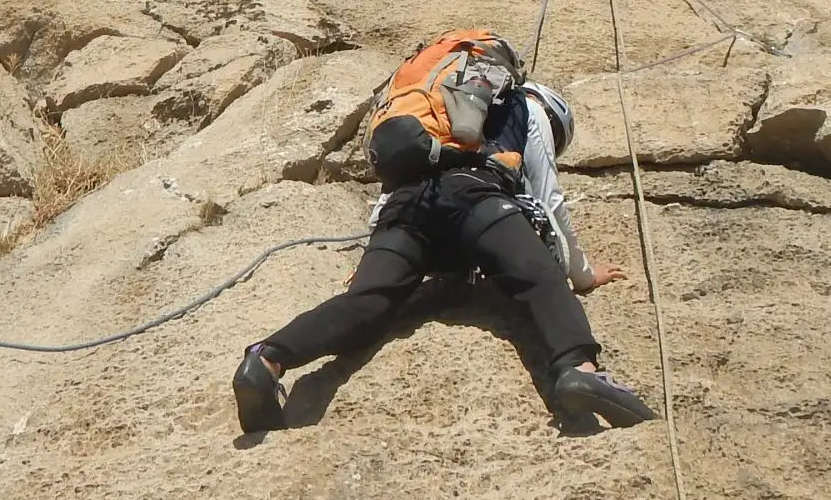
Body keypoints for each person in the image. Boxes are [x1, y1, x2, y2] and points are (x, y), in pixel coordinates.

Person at [233, 68, 654, 433]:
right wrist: (581, 273)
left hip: (405, 210)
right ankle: (580, 371)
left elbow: (391, 193)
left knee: (367, 302)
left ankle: (267, 359)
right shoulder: (528, 106)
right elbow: (546, 194)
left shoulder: (436, 122)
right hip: (476, 199)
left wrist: (371, 260)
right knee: (537, 276)